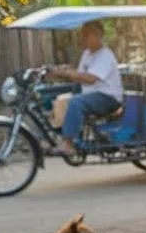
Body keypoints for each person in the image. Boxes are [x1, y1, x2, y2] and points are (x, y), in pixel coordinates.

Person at [48, 20, 123, 154]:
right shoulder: (87, 54)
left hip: (107, 98)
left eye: (86, 35)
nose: (83, 39)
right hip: (91, 95)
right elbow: (80, 74)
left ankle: (68, 143)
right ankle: (66, 134)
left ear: (98, 35)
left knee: (76, 102)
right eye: (82, 35)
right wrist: (61, 71)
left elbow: (90, 79)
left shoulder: (105, 55)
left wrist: (66, 73)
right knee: (57, 97)